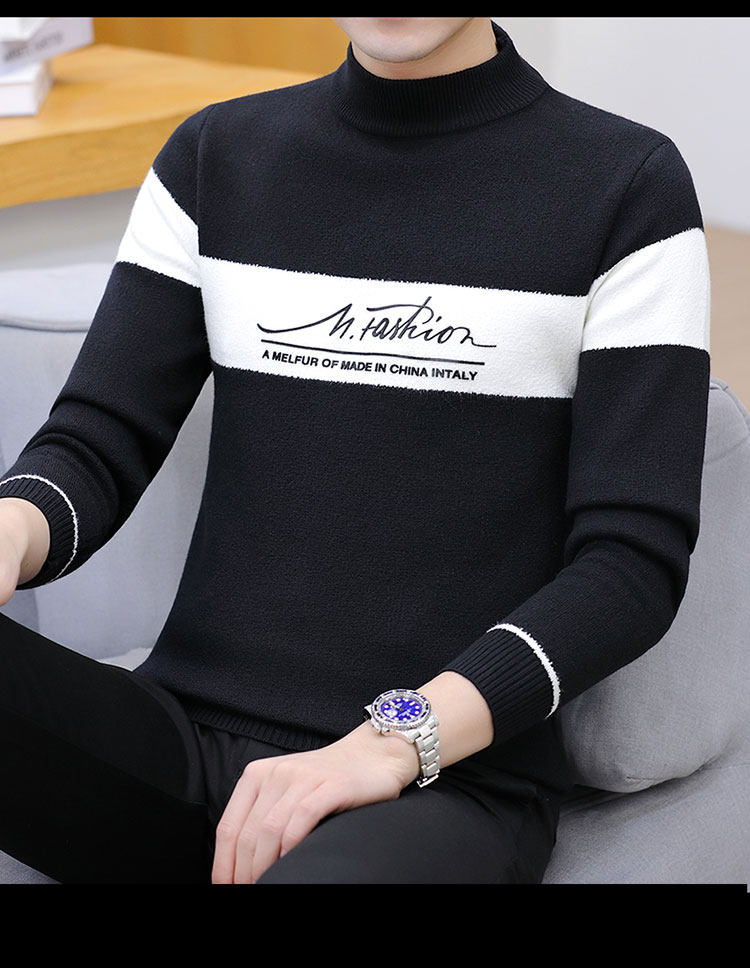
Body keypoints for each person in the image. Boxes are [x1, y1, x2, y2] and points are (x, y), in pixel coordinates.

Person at [0, 17, 710, 884]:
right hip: (179, 745)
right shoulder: (215, 156)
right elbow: (97, 438)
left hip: (439, 787)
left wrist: (389, 743)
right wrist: (11, 527)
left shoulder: (627, 184)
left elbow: (631, 564)